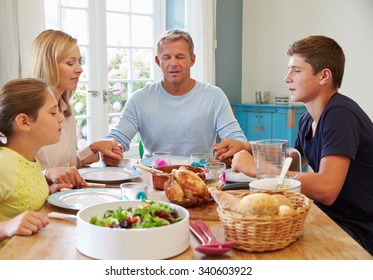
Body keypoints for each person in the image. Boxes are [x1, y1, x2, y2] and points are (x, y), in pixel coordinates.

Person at [223, 35, 373, 254]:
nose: (286, 78)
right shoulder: (309, 117)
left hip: (355, 232)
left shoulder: (340, 115)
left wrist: (259, 170)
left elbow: (326, 188)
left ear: (324, 76)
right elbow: (293, 160)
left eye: (296, 70)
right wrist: (249, 148)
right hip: (327, 217)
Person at [104, 29, 247, 164]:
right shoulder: (139, 99)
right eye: (166, 57)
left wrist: (235, 148)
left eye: (180, 57)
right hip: (154, 176)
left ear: (192, 60)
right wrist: (111, 150)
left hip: (200, 178)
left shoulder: (214, 96)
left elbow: (237, 140)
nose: (173, 63)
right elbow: (116, 139)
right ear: (158, 61)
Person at [25, 29, 123, 188]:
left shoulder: (66, 111)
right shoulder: (27, 115)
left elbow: (65, 165)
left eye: (79, 61)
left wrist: (94, 148)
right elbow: (13, 174)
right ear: (48, 65)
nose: (79, 69)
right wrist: (47, 174)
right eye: (70, 63)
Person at [0, 78, 64, 259]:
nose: (60, 118)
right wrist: (7, 227)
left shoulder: (30, 159)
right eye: (53, 113)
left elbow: (19, 199)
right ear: (24, 122)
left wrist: (51, 191)